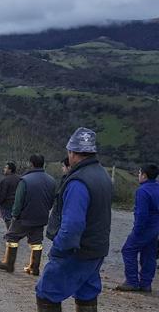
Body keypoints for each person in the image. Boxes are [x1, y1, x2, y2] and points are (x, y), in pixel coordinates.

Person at [35, 127, 113, 312]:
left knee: (47, 293)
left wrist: (59, 250)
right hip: (96, 249)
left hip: (76, 251)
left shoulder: (78, 182)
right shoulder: (103, 175)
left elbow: (73, 226)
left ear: (72, 152)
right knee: (87, 293)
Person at [0, 155, 56, 275]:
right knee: (36, 241)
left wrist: (15, 214)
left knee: (12, 237)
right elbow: (51, 200)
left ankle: (9, 264)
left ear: (31, 164)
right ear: (43, 164)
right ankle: (34, 268)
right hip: (41, 217)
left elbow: (19, 200)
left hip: (24, 217)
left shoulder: (25, 180)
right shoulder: (51, 180)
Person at [115, 163, 159, 292]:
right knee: (149, 254)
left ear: (144, 175)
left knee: (128, 250)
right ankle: (146, 284)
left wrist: (137, 230)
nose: (138, 175)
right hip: (155, 228)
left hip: (145, 227)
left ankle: (132, 281)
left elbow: (141, 214)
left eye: (139, 173)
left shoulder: (142, 191)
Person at [0, 161, 21, 230]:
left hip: (7, 203)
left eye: (5, 168)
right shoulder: (20, 178)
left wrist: (0, 202)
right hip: (17, 202)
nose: (4, 169)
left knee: (7, 219)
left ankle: (10, 233)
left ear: (10, 170)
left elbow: (2, 193)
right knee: (15, 219)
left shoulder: (5, 180)